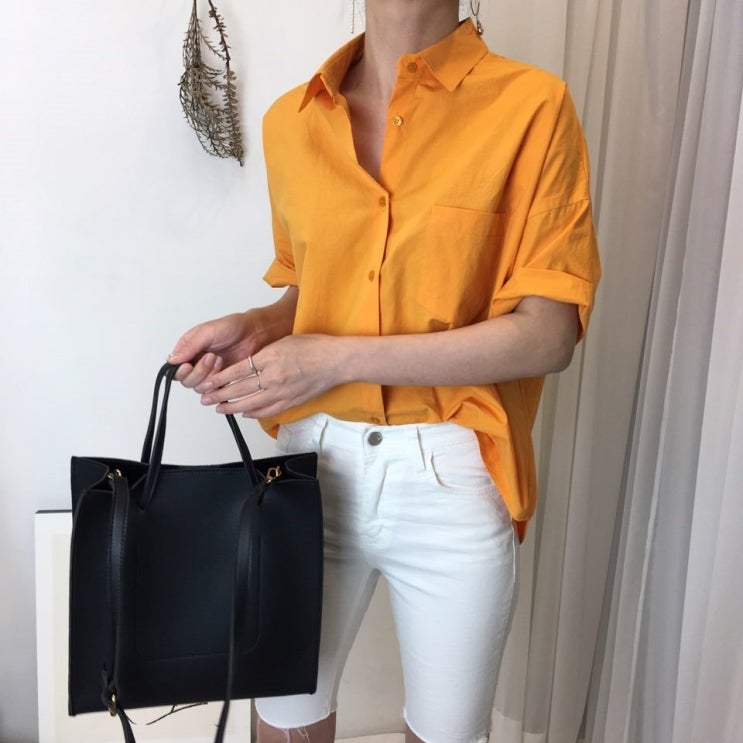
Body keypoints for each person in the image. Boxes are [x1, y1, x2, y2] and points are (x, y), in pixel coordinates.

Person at [168, 1, 601, 741]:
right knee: (283, 718)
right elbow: (313, 292)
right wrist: (262, 326)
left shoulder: (531, 106)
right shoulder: (290, 121)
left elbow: (546, 336)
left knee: (446, 732)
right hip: (309, 465)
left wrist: (333, 358)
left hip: (450, 472)